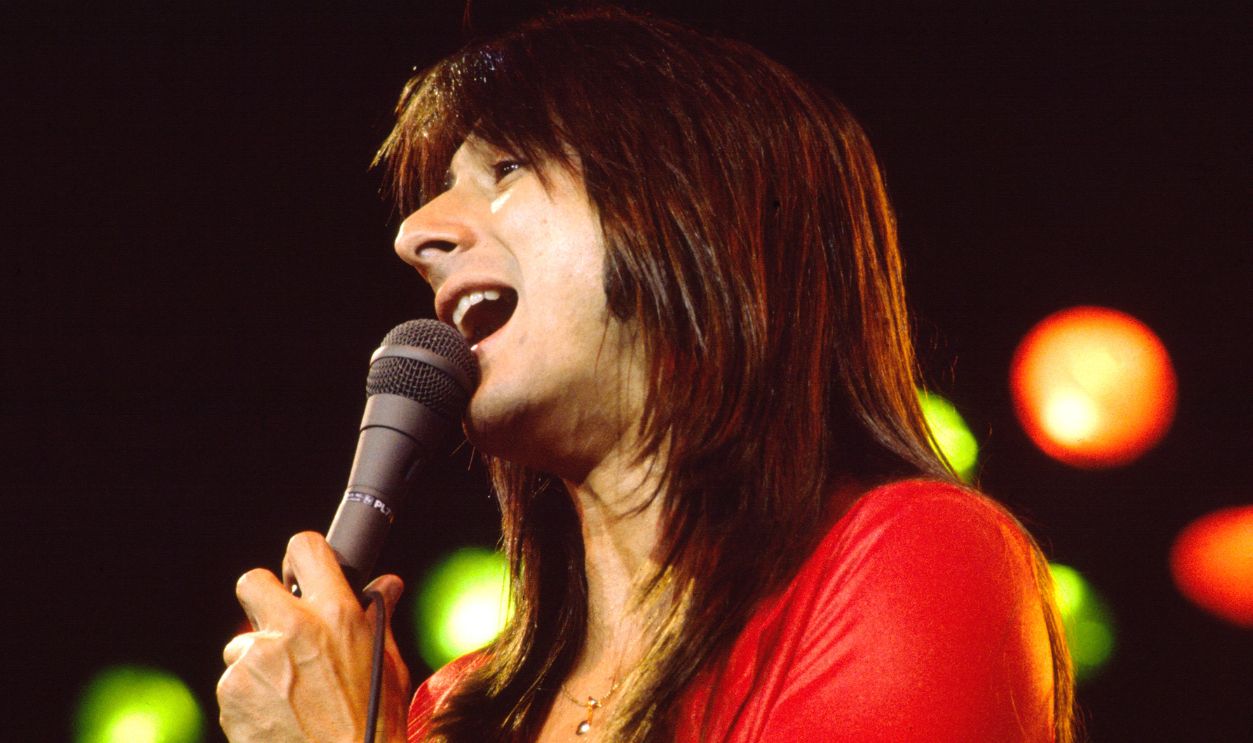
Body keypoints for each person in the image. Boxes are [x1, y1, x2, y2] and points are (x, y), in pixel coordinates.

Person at [217, 7, 1076, 742]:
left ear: (696, 217)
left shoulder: (910, 559)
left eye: (506, 168)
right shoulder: (448, 710)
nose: (416, 234)